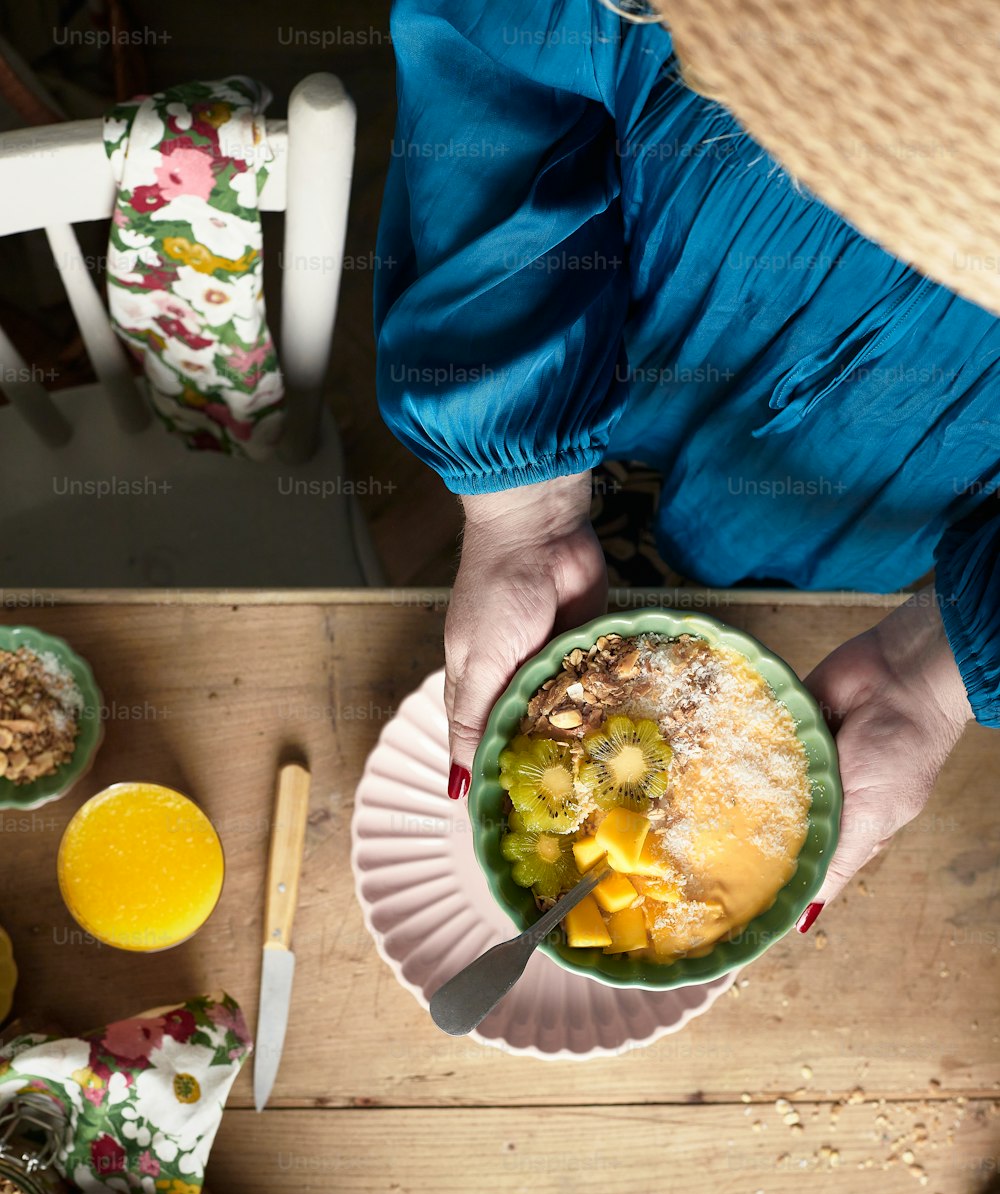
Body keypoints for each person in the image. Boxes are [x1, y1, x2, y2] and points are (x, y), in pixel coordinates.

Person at [373, 0, 999, 933]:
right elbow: (499, 56)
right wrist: (522, 499)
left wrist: (936, 667)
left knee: (773, 549)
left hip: (908, 472)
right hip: (636, 301)